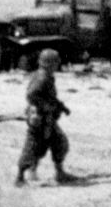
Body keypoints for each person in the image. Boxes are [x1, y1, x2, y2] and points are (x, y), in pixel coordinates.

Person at [15, 48, 77, 186]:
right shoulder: (42, 77)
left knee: (58, 143)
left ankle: (59, 173)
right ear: (49, 63)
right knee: (33, 146)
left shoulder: (44, 76)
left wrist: (61, 107)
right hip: (41, 119)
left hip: (46, 118)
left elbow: (50, 97)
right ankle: (20, 177)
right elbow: (32, 95)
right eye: (56, 62)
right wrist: (45, 107)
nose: (58, 64)